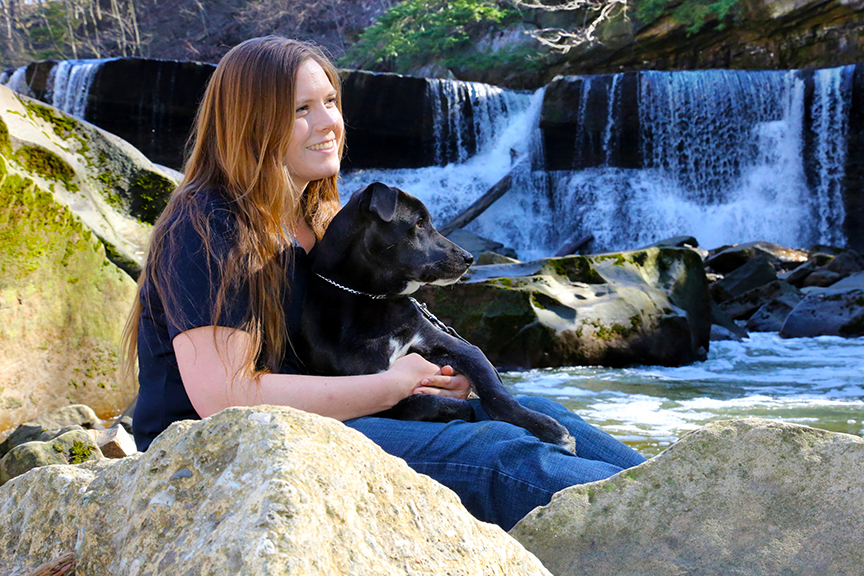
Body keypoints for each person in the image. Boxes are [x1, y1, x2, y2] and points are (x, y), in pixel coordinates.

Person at [122, 35, 645, 531]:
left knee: (539, 414)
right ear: (249, 125)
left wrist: (441, 376)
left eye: (330, 101)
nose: (328, 123)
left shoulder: (319, 218)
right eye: (301, 110)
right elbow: (223, 395)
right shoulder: (208, 224)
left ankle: (690, 491)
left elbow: (375, 332)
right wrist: (392, 385)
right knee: (500, 454)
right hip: (217, 452)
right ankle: (665, 524)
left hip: (315, 420)